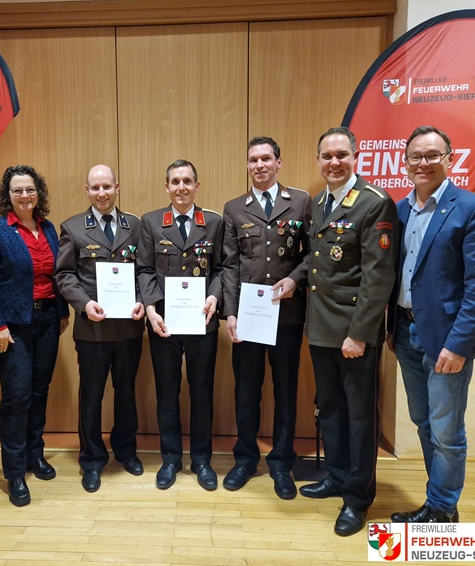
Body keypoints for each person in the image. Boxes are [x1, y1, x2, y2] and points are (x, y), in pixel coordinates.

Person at [387, 125, 475, 524]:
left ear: (450, 159)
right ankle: (435, 502)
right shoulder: (399, 210)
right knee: (423, 422)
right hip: (404, 331)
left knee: (447, 431)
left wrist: (459, 344)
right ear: (405, 163)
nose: (424, 163)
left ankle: (443, 509)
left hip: (446, 339)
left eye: (433, 155)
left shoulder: (473, 208)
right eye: (416, 156)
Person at [298, 127, 397, 537]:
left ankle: (358, 498)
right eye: (326, 156)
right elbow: (318, 263)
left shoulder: (374, 204)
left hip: (354, 334)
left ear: (355, 156)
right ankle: (337, 477)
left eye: (341, 155)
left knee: (360, 417)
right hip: (322, 328)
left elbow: (378, 278)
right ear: (319, 160)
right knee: (332, 410)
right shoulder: (320, 204)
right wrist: (292, 280)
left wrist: (359, 334)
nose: (334, 162)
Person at [221, 137, 311, 500]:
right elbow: (229, 264)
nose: (259, 165)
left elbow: (313, 252)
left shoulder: (301, 202)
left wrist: (296, 278)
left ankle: (281, 463)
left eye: (266, 159)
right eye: (253, 160)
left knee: (286, 391)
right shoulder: (234, 208)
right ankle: (245, 459)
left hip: (286, 314)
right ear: (247, 166)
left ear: (278, 162)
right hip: (248, 315)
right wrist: (230, 312)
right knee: (246, 390)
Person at [0, 166, 69, 507]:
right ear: (8, 196)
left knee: (39, 391)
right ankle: (14, 472)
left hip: (46, 321)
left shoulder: (48, 229)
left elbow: (58, 274)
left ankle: (35, 454)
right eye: (17, 191)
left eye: (30, 189)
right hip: (12, 328)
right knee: (16, 398)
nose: (25, 196)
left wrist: (61, 312)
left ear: (38, 193)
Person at [54, 164, 146, 493]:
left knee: (126, 395)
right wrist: (82, 304)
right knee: (91, 398)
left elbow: (144, 271)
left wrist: (141, 300)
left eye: (107, 186)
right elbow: (64, 275)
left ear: (117, 187)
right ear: (87, 190)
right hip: (92, 331)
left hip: (129, 329)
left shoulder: (134, 226)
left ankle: (126, 450)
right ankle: (92, 459)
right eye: (95, 188)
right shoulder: (73, 227)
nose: (102, 193)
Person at [136, 159, 223, 491]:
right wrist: (151, 309)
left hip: (203, 322)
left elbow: (222, 268)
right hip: (164, 325)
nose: (182, 187)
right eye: (175, 181)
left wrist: (215, 297)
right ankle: (171, 459)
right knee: (167, 392)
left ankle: (201, 460)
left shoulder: (213, 222)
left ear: (197, 186)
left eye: (188, 181)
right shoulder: (152, 222)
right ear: (167, 187)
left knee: (202, 392)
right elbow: (144, 269)